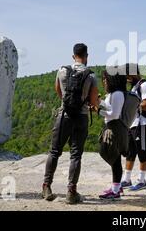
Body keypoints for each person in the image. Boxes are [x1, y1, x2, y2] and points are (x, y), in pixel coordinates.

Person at [42, 43, 98, 204]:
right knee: (76, 155)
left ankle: (46, 187)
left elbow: (58, 90)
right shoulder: (91, 76)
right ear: (86, 56)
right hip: (81, 117)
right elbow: (93, 101)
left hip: (64, 115)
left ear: (73, 56)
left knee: (54, 151)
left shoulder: (62, 70)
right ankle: (71, 192)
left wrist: (67, 103)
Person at [121, 64, 146, 191]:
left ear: (134, 74)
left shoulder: (145, 85)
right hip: (133, 123)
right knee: (130, 152)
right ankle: (127, 179)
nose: (127, 78)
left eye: (128, 75)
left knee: (142, 151)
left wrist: (131, 107)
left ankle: (142, 180)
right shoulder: (134, 88)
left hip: (142, 123)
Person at [97, 70, 128, 200]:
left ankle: (115, 191)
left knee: (111, 156)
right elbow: (110, 107)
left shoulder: (117, 94)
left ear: (113, 80)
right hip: (114, 127)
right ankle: (117, 186)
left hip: (114, 128)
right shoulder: (115, 94)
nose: (104, 82)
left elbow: (114, 114)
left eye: (106, 79)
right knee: (115, 159)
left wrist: (98, 111)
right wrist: (99, 102)